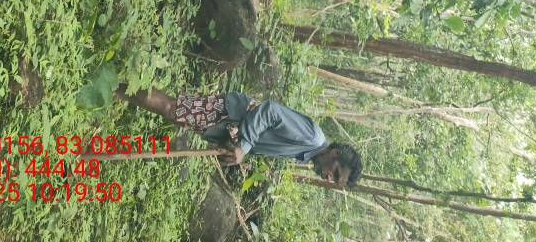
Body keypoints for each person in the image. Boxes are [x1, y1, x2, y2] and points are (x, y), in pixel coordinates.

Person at [116, 85, 362, 184]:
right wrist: (243, 146)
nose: (327, 177)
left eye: (333, 180)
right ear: (335, 154)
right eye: (335, 172)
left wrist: (238, 143)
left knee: (174, 110)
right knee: (172, 108)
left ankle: (120, 89)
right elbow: (270, 111)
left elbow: (265, 133)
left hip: (230, 125)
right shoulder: (312, 138)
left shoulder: (307, 153)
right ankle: (116, 87)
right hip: (230, 114)